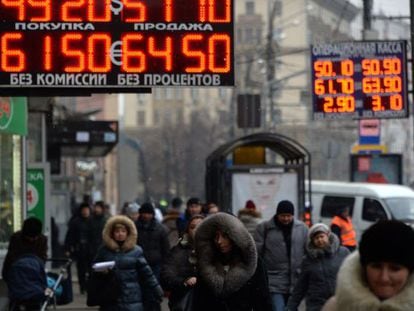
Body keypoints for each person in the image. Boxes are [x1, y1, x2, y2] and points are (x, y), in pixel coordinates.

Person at [322, 220, 414, 311]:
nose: (384, 278)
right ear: (364, 268)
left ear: (410, 271)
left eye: (395, 269)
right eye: (376, 266)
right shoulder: (335, 308)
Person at [192, 212, 272, 311]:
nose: (219, 241)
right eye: (216, 236)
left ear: (236, 236)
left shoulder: (252, 263)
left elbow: (263, 302)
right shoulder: (206, 264)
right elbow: (198, 303)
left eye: (225, 236)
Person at [93, 215, 163, 311]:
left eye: (123, 231)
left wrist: (157, 289)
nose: (120, 234)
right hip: (110, 298)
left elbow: (147, 273)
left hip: (132, 297)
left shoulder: (136, 251)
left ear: (128, 233)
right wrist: (102, 272)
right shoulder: (104, 251)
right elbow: (94, 270)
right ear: (111, 233)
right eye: (117, 231)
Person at [254, 200, 308, 311]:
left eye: (289, 216)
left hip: (295, 281)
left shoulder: (302, 229)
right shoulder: (264, 228)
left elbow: (308, 251)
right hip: (274, 280)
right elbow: (256, 253)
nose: (286, 219)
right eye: (283, 216)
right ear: (277, 214)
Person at [286, 223, 349, 311]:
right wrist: (290, 307)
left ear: (328, 235)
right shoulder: (308, 260)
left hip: (339, 302)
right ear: (312, 241)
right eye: (316, 238)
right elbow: (300, 286)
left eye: (321, 236)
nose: (319, 240)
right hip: (316, 305)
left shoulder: (343, 252)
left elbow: (353, 276)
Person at [160, 214, 205, 310]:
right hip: (183, 302)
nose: (197, 230)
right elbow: (166, 275)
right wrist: (184, 281)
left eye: (201, 227)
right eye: (193, 227)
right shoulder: (178, 250)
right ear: (188, 231)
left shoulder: (215, 250)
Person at [2, 217, 48, 311]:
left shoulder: (42, 239)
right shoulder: (16, 238)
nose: (32, 239)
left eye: (34, 237)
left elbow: (42, 258)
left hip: (34, 278)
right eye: (29, 237)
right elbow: (10, 259)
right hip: (17, 276)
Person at [136, 202, 170, 311]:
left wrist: (165, 266)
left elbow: (165, 249)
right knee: (141, 291)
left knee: (154, 291)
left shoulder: (160, 229)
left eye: (149, 213)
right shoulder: (134, 227)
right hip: (138, 264)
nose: (146, 216)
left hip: (155, 264)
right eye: (144, 213)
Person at [64, 202, 92, 294]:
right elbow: (70, 236)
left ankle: (89, 286)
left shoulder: (92, 221)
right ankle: (82, 286)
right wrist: (68, 248)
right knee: (81, 269)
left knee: (91, 269)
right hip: (80, 249)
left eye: (87, 210)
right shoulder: (75, 222)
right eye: (83, 210)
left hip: (91, 249)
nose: (85, 212)